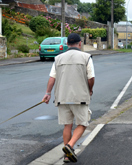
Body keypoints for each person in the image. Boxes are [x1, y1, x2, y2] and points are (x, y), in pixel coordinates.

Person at [42, 33, 95, 163]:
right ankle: (69, 146)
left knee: (67, 125)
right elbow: (91, 78)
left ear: (67, 44)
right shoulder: (86, 57)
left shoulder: (58, 58)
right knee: (83, 123)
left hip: (62, 97)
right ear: (80, 43)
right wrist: (90, 89)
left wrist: (48, 93)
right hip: (80, 97)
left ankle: (67, 156)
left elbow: (52, 78)